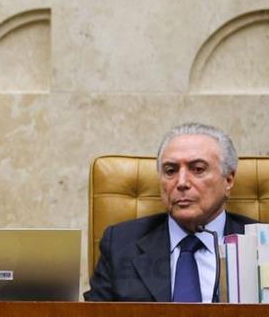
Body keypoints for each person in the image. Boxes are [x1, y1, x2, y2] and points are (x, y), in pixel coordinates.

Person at [85, 122, 257, 302]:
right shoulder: (120, 244)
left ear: (228, 180)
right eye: (170, 171)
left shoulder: (268, 245)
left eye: (198, 169)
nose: (181, 182)